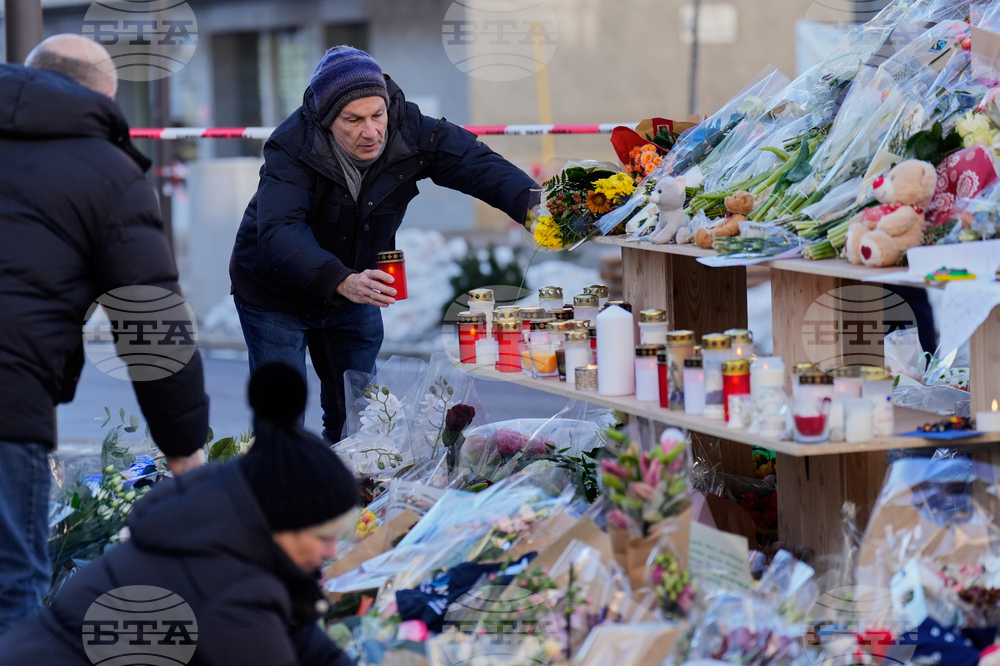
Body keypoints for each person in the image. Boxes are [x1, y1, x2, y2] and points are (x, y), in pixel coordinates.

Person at [0, 35, 210, 637]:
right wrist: (186, 458)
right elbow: (151, 324)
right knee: (11, 588)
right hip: (8, 403)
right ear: (102, 97)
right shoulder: (107, 172)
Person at [230, 45, 538, 441]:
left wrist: (534, 206)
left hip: (354, 290)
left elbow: (473, 164)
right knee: (281, 422)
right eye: (353, 120)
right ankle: (286, 497)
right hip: (275, 293)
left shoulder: (409, 128)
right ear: (326, 121)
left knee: (361, 418)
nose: (371, 131)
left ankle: (353, 497)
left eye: (377, 115)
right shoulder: (291, 146)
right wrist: (341, 279)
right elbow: (279, 232)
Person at [0, 363, 359, 665]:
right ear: (281, 526)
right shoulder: (229, 589)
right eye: (324, 538)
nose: (331, 552)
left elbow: (302, 636)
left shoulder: (226, 531)